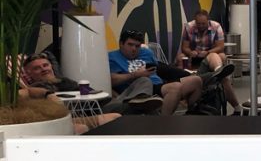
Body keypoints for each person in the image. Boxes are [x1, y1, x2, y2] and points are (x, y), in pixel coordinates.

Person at [21, 52, 160, 115]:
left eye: (45, 65)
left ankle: (139, 99)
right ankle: (139, 103)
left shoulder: (64, 80)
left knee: (144, 80)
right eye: (37, 68)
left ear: (51, 66)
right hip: (91, 111)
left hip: (103, 103)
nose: (43, 69)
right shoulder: (37, 88)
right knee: (148, 108)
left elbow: (92, 92)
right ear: (29, 73)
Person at [110, 30, 203, 116]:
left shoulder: (146, 53)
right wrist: (135, 75)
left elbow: (159, 69)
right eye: (130, 45)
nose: (134, 49)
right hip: (139, 90)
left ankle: (191, 115)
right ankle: (161, 124)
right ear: (121, 44)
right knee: (175, 88)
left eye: (137, 46)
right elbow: (112, 80)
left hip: (159, 85)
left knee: (196, 80)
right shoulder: (113, 57)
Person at [180, 10, 241, 114]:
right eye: (198, 23)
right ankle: (220, 73)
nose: (200, 26)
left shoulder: (216, 26)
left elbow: (220, 46)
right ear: (195, 21)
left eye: (203, 23)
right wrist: (191, 52)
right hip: (195, 58)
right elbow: (184, 47)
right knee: (223, 79)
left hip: (211, 56)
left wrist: (207, 52)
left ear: (208, 21)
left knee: (217, 55)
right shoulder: (188, 27)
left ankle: (218, 70)